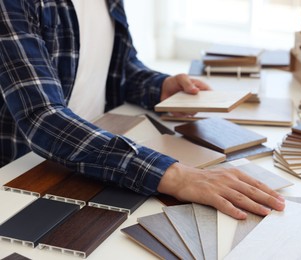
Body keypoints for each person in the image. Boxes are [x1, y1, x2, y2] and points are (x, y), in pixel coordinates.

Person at [0, 0, 285, 219]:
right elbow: (40, 116)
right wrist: (173, 174)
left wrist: (159, 86)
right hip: (24, 172)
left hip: (98, 147)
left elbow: (120, 67)